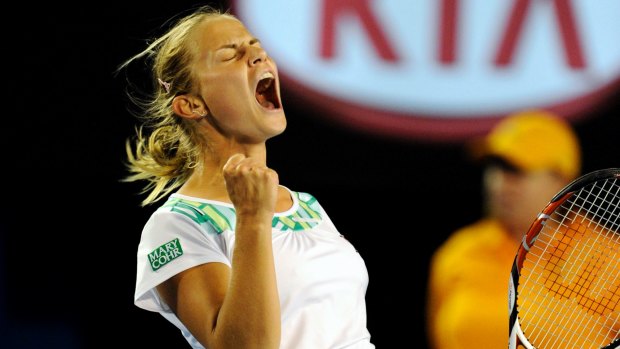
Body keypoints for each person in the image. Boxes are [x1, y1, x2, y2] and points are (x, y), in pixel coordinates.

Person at [117, 5, 374, 349]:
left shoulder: (308, 206)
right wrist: (252, 218)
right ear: (192, 105)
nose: (258, 56)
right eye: (230, 54)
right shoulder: (174, 227)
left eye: (256, 47)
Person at [426, 109, 582, 349]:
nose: (498, 184)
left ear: (560, 179)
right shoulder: (459, 251)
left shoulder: (608, 258)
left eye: (515, 170)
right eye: (494, 167)